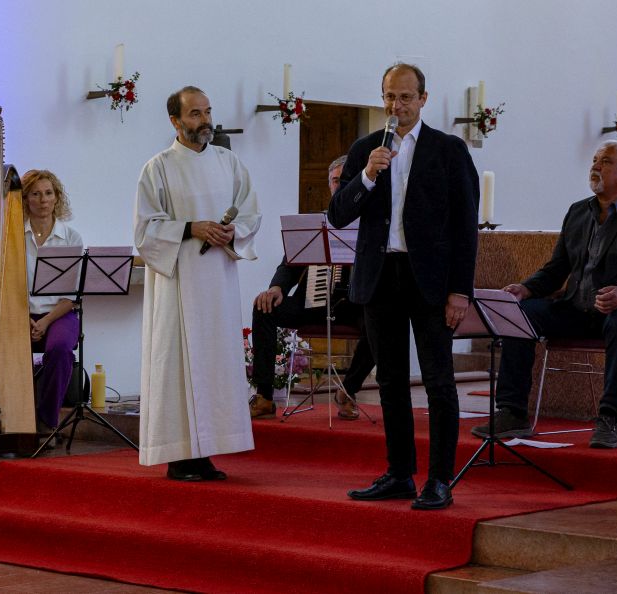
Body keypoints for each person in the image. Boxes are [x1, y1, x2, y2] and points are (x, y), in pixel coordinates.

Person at [328, 63, 479, 510]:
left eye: (406, 97)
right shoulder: (365, 150)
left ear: (424, 99)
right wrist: (369, 176)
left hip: (429, 278)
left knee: (437, 381)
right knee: (390, 380)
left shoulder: (448, 150)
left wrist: (460, 291)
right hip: (380, 276)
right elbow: (338, 214)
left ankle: (439, 480)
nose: (397, 106)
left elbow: (465, 227)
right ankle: (399, 473)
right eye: (390, 97)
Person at [471, 140, 617, 449]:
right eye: (594, 160)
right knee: (520, 313)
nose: (595, 166)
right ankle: (512, 412)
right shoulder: (579, 212)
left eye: (605, 161)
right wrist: (526, 288)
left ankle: (608, 418)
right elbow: (557, 268)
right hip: (579, 310)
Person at [135, 86, 261, 481]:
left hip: (218, 283)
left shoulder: (229, 162)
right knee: (176, 365)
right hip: (178, 284)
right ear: (175, 120)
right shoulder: (158, 167)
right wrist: (192, 228)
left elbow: (251, 212)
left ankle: (207, 451)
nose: (204, 120)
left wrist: (231, 231)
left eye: (207, 112)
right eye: (194, 114)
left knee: (216, 364)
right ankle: (178, 455)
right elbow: (144, 230)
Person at [249, 156, 375, 421]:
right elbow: (290, 263)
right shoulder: (316, 222)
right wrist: (276, 288)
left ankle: (348, 391)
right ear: (329, 185)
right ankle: (264, 396)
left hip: (353, 306)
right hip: (312, 303)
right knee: (264, 308)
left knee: (380, 327)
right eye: (335, 180)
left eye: (346, 180)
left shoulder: (371, 223)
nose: (340, 185)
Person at [22, 169, 83, 434]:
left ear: (57, 198)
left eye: (48, 193)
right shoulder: (12, 237)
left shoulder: (71, 238)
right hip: (20, 314)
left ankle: (47, 421)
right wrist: (25, 319)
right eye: (35, 194)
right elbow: (6, 288)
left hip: (59, 314)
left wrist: (45, 322)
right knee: (5, 350)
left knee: (59, 349)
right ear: (25, 200)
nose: (43, 199)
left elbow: (71, 297)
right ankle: (16, 420)